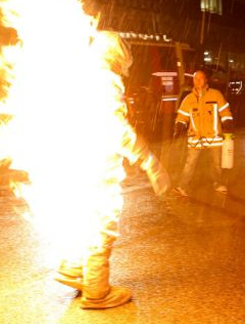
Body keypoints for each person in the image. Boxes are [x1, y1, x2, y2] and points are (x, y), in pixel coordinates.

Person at [52, 31, 171, 309]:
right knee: (102, 223)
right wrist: (149, 161)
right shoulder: (104, 82)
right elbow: (115, 129)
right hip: (95, 163)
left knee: (81, 215)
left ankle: (72, 267)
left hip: (72, 159)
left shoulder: (79, 76)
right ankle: (97, 292)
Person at [173, 69, 234, 196]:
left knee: (216, 163)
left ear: (206, 80)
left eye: (201, 78)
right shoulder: (188, 99)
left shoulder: (216, 95)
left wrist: (227, 121)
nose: (198, 81)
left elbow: (224, 110)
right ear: (193, 80)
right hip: (195, 137)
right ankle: (183, 186)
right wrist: (179, 125)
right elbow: (182, 116)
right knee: (190, 164)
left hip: (214, 137)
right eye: (196, 78)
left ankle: (217, 183)